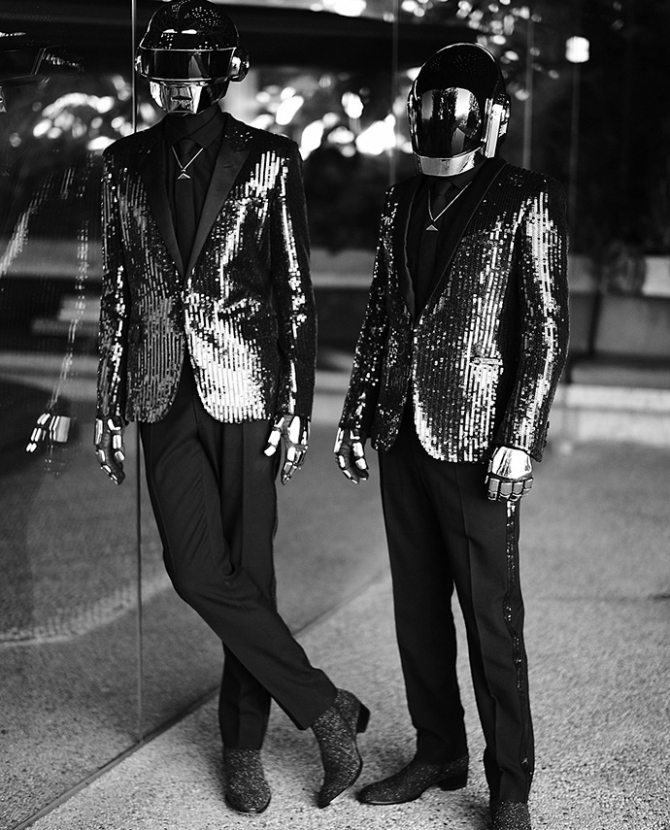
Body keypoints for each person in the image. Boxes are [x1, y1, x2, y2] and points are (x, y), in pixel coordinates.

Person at [95, 0, 368, 814]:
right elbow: (117, 290)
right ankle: (325, 706)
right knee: (193, 570)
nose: (179, 85)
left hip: (247, 387)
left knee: (249, 572)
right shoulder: (123, 162)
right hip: (160, 390)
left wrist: (297, 403)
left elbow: (294, 290)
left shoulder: (269, 158)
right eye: (166, 70)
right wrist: (109, 400)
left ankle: (243, 748)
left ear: (219, 73)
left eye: (193, 69)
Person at [335, 43, 569, 830]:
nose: (442, 117)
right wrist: (355, 413)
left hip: (478, 440)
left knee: (491, 620)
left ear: (490, 116)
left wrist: (520, 437)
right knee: (417, 612)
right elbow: (381, 314)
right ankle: (438, 751)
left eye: (457, 106)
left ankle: (510, 788)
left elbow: (545, 330)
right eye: (431, 104)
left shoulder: (523, 198)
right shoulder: (401, 200)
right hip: (401, 429)